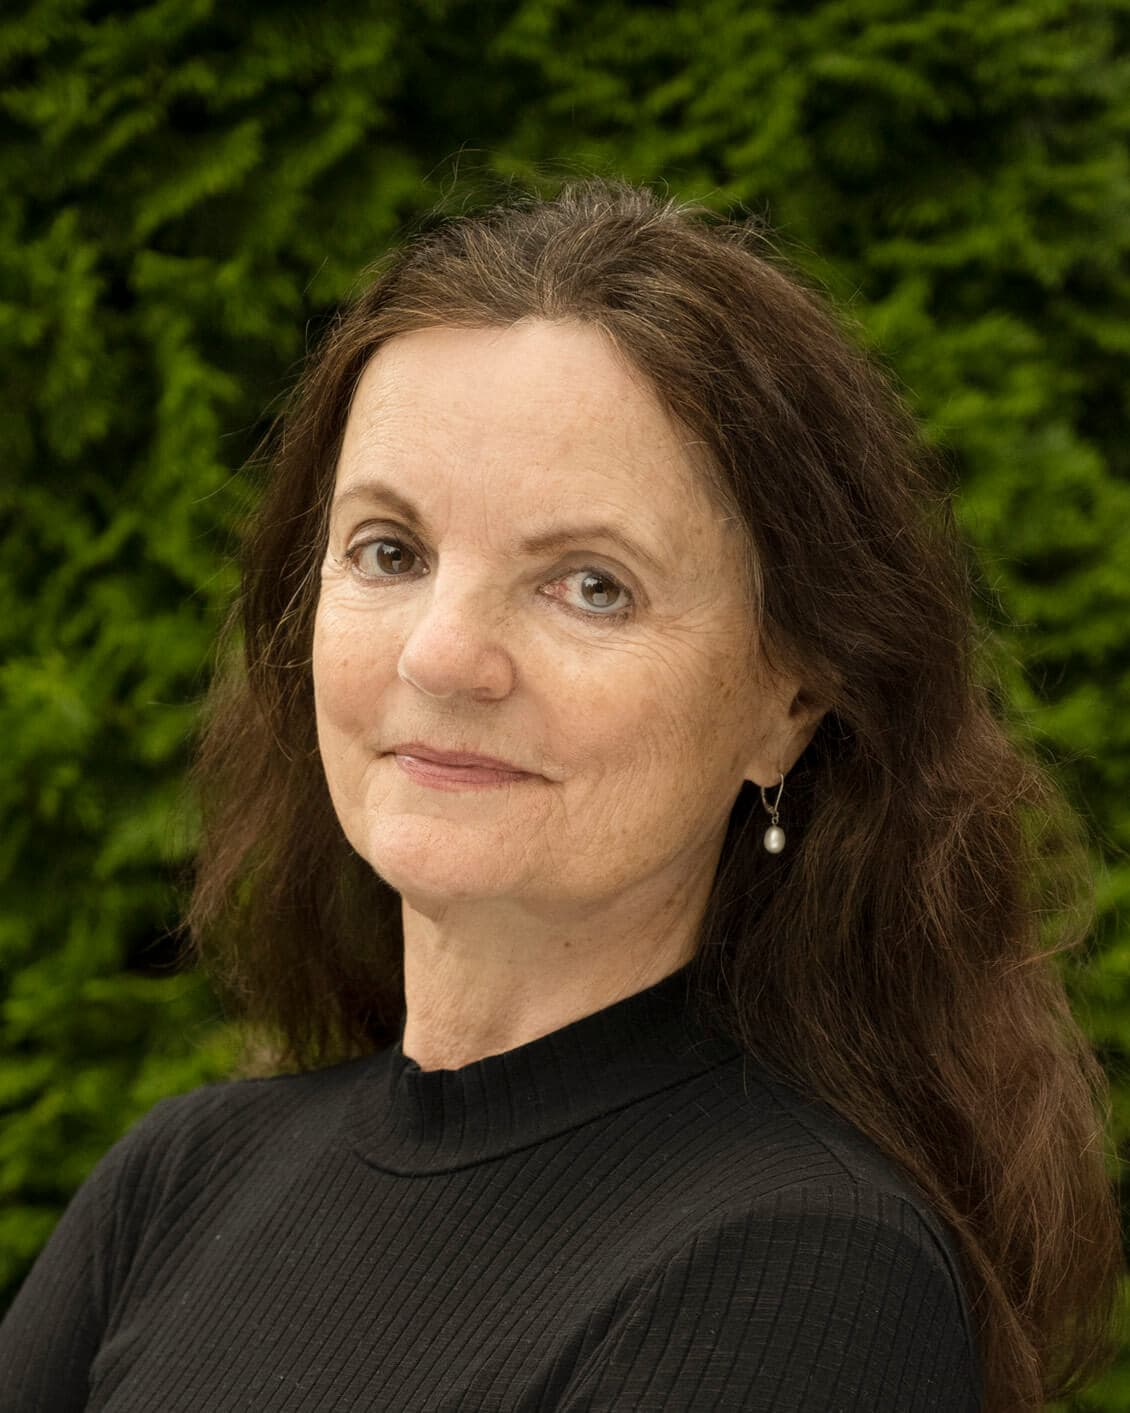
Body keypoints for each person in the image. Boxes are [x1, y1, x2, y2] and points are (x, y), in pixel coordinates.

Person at [0, 177, 1121, 1412]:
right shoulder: (182, 1184)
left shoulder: (799, 1272)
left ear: (787, 703)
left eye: (590, 585)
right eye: (390, 552)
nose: (439, 654)